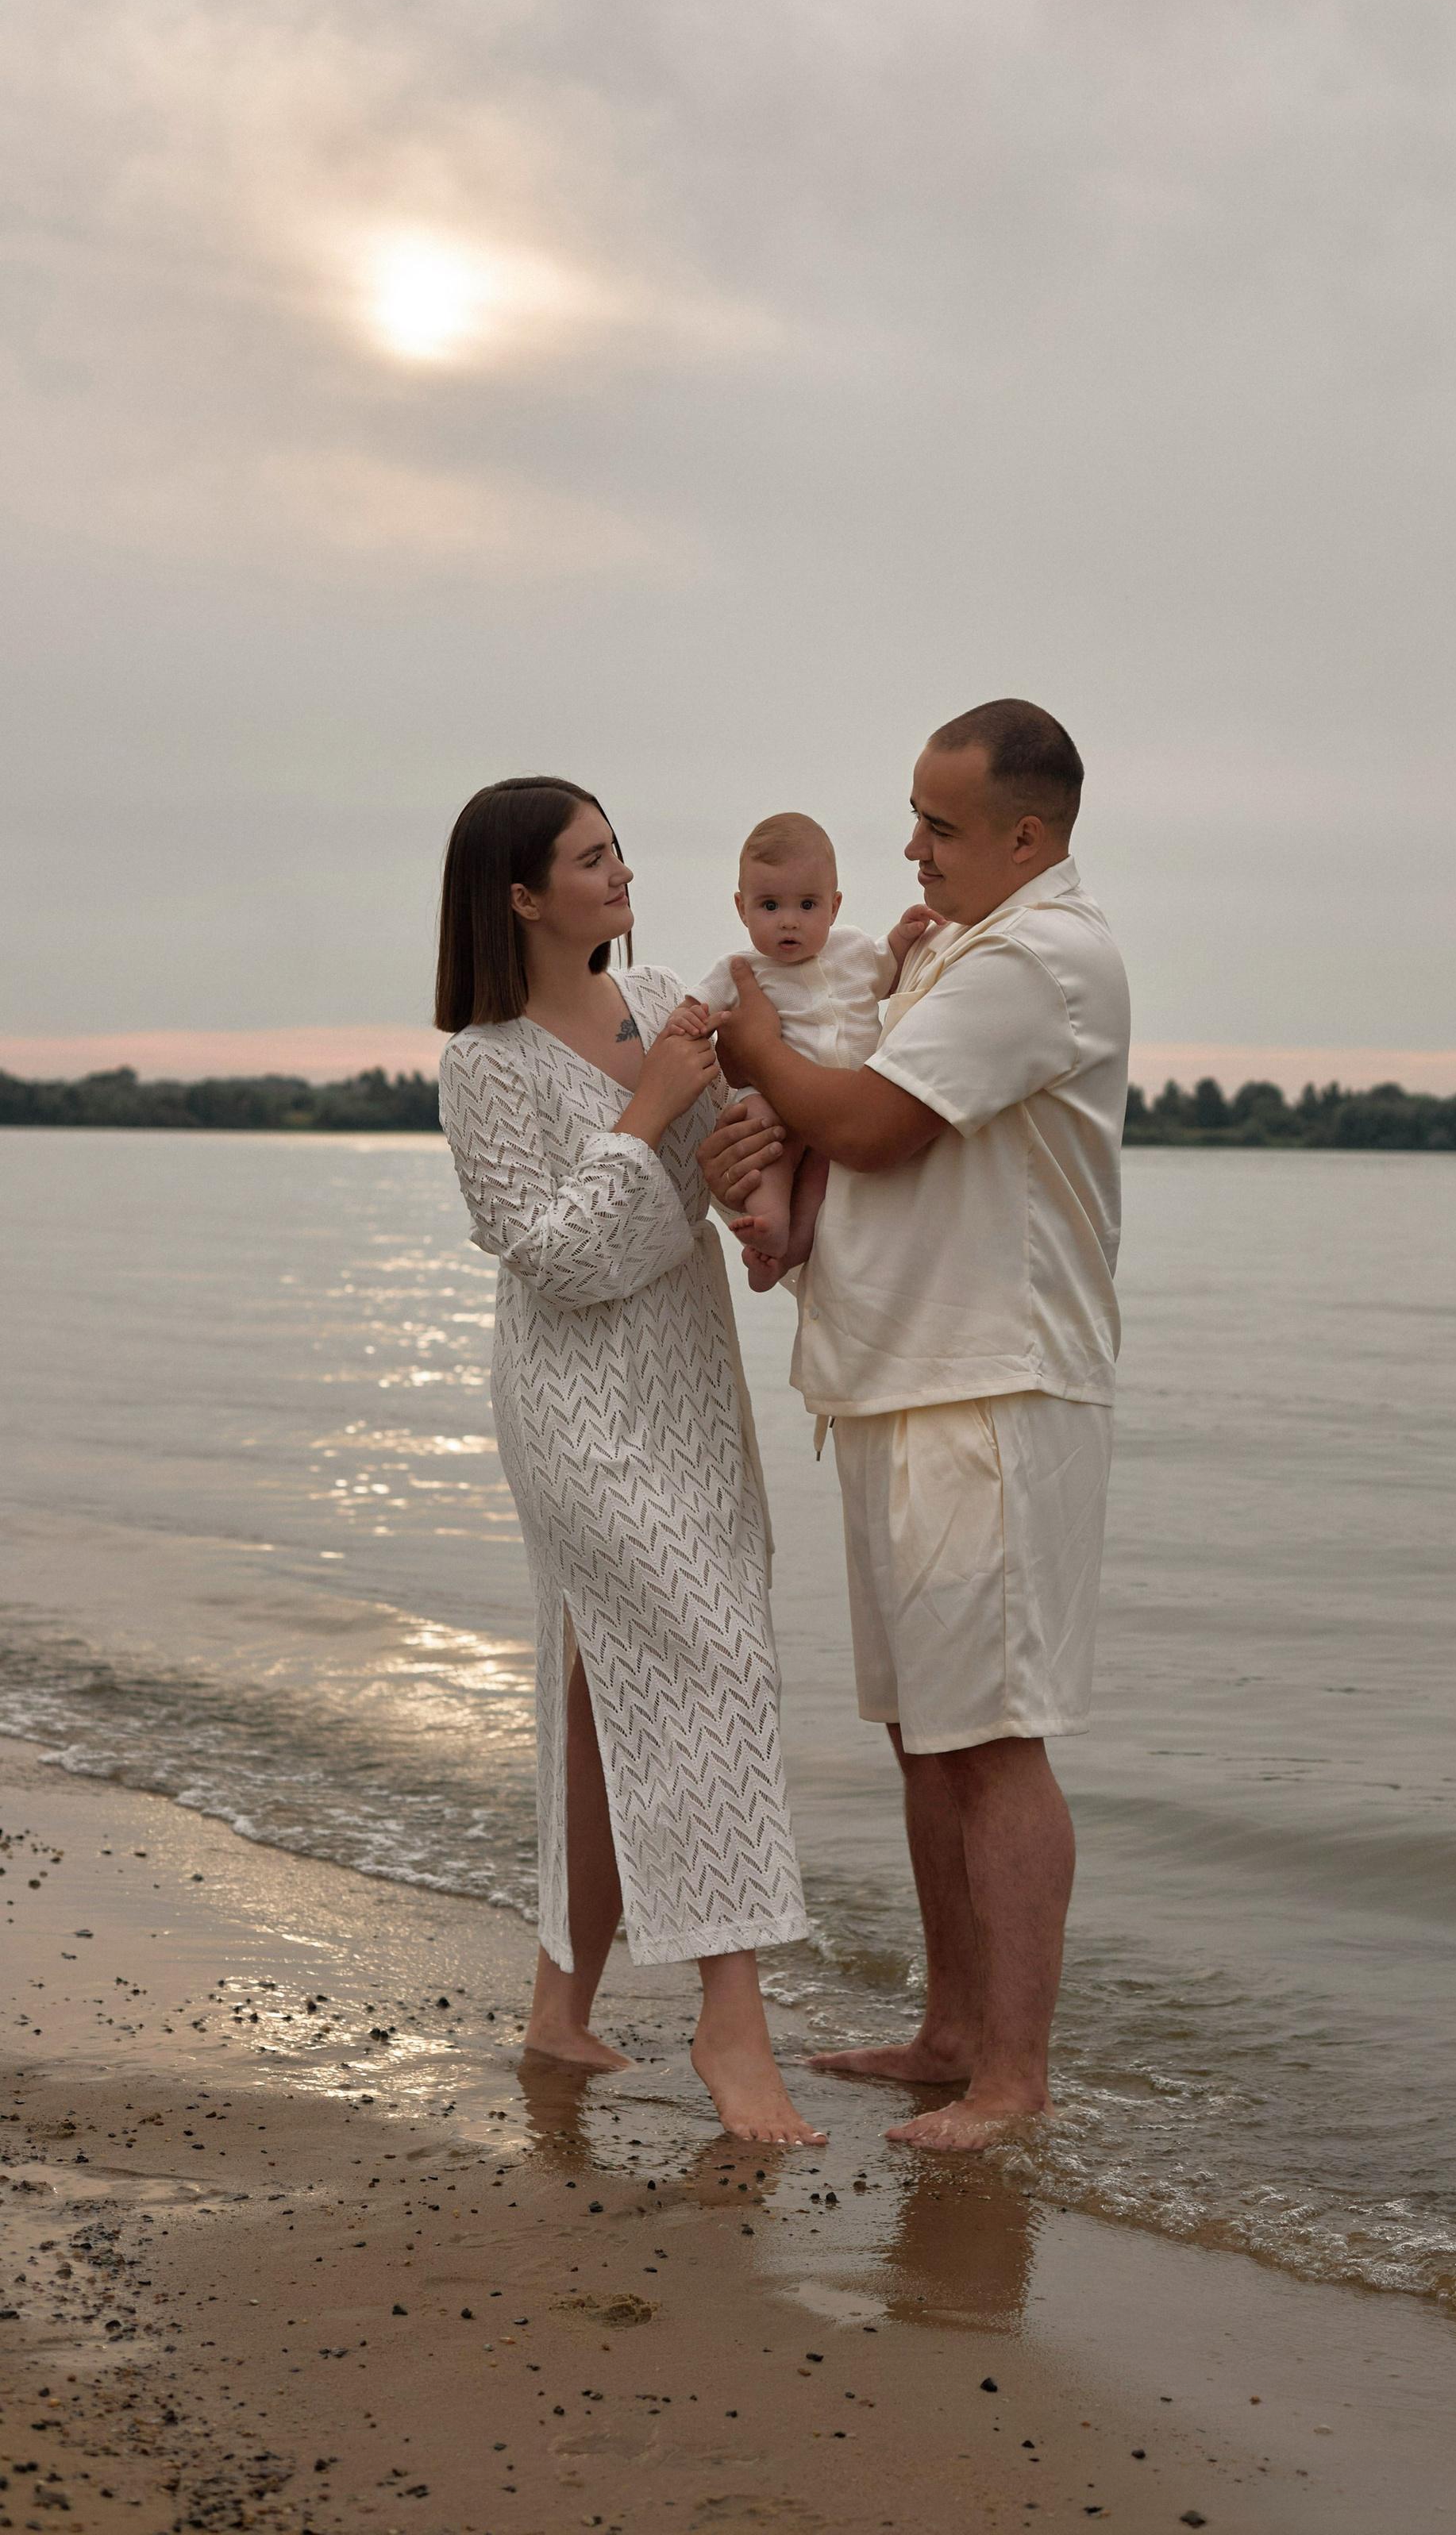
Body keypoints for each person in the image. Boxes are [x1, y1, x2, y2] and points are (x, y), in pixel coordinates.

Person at [704, 700, 1128, 2150]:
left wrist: (756, 1049)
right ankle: (952, 2032)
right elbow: (847, 1124)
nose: (910, 847)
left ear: (1027, 835)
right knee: (922, 1733)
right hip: (890, 1379)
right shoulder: (948, 948)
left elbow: (877, 1125)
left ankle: (1012, 2078)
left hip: (989, 1394)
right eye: (913, 818)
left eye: (939, 826)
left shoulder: (1043, 958)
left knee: (994, 1737)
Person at [434, 775, 824, 2147]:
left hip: (688, 1394)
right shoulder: (482, 1061)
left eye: (619, 852)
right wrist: (646, 1108)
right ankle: (734, 2017)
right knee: (718, 1660)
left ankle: (559, 2004)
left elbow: (713, 1187)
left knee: (607, 1707)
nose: (620, 875)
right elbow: (555, 1262)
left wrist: (742, 1171)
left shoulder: (663, 996)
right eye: (590, 861)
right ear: (523, 897)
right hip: (575, 1414)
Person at [671, 811, 934, 1271]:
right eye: (770, 906)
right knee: (763, 1135)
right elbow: (699, 1002)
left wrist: (903, 936)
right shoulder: (740, 967)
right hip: (777, 1094)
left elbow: (887, 969)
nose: (789, 922)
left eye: (807, 906)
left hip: (847, 1097)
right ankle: (770, 1218)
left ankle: (790, 1250)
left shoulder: (852, 947)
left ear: (833, 907)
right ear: (742, 908)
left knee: (821, 1177)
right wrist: (687, 1018)